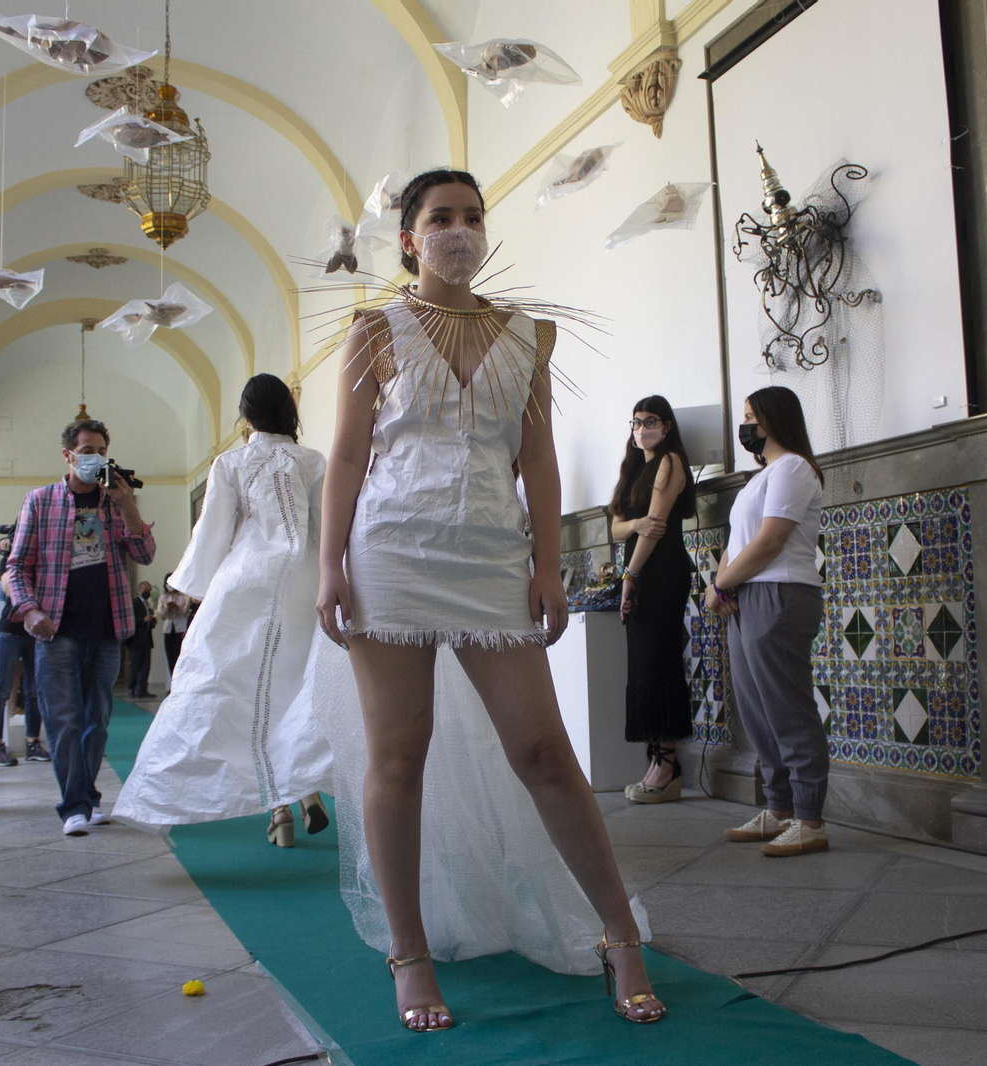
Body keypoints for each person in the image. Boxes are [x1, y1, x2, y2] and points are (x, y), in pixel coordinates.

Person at [315, 169, 663, 1031]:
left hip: (492, 556)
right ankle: (410, 952)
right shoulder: (372, 331)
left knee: (544, 750)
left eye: (472, 217)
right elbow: (348, 458)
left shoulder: (530, 336)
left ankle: (618, 934)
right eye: (440, 218)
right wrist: (329, 565)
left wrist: (550, 566)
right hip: (392, 550)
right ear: (409, 237)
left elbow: (537, 461)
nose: (459, 231)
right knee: (399, 756)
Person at [115, 374, 332, 844]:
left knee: (231, 686)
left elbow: (212, 529)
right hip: (304, 580)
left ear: (247, 415)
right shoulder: (313, 460)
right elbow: (325, 530)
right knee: (297, 686)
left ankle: (280, 810)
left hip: (249, 580)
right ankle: (304, 786)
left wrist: (192, 585)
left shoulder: (232, 463)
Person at [7, 418, 155, 837]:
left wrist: (127, 506)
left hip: (107, 626)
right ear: (68, 455)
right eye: (86, 450)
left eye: (101, 450)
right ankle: (74, 805)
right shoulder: (40, 501)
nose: (94, 458)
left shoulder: (114, 503)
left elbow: (144, 554)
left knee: (99, 719)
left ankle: (86, 798)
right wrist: (29, 610)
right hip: (56, 628)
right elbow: (17, 566)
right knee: (64, 719)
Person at [706, 386, 829, 857]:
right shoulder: (761, 477)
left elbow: (771, 541)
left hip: (780, 592)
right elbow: (741, 543)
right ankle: (779, 809)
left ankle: (810, 818)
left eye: (751, 417)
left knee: (786, 706)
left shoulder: (795, 468)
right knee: (757, 709)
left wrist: (720, 587)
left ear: (775, 419)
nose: (746, 427)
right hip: (748, 594)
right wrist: (719, 585)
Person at [609, 396, 695, 804]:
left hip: (660, 574)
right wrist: (634, 524)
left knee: (658, 661)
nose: (642, 429)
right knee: (642, 666)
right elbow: (615, 528)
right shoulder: (633, 469)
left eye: (651, 421)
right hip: (640, 574)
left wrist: (630, 576)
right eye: (636, 422)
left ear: (667, 426)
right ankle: (656, 760)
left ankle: (668, 764)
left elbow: (655, 528)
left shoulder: (670, 462)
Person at [0, 567, 49, 767]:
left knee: (34, 691)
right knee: (1, 688)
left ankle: (32, 743)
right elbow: (9, 590)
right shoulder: (11, 573)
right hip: (9, 634)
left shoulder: (44, 572)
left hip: (33, 635)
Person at [126, 581, 155, 699]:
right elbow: (131, 619)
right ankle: (131, 689)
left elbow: (150, 620)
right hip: (136, 640)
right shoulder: (134, 603)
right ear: (138, 591)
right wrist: (143, 620)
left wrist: (152, 621)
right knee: (135, 665)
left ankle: (142, 689)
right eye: (145, 590)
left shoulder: (148, 605)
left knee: (145, 666)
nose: (147, 593)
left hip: (146, 640)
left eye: (149, 591)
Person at [155, 578, 190, 674]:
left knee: (179, 655)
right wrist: (168, 608)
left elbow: (185, 613)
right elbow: (162, 615)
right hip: (168, 629)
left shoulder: (183, 596)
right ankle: (172, 681)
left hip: (180, 629)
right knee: (170, 656)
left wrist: (177, 607)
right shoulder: (163, 597)